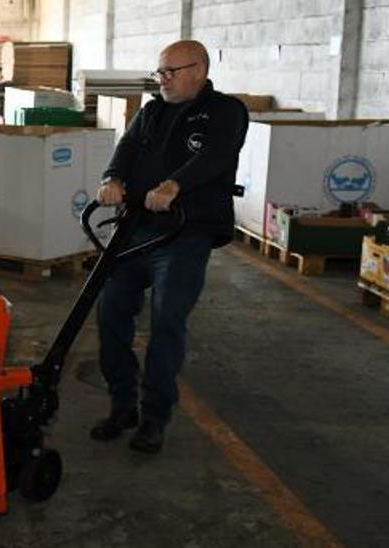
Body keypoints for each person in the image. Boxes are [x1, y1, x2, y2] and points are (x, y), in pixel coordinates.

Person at [90, 40, 248, 454]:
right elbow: (126, 148)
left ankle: (154, 417)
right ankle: (122, 403)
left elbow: (214, 156)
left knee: (166, 321)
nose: (162, 79)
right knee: (109, 311)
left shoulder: (226, 111)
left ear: (198, 70)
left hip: (184, 233)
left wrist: (174, 185)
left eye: (170, 72)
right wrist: (113, 178)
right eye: (159, 72)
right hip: (137, 228)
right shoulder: (153, 111)